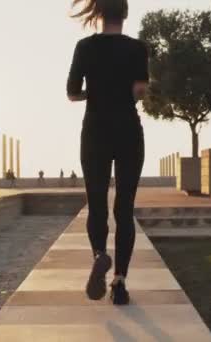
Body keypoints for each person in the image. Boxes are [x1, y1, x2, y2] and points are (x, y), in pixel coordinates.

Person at [68, 0, 148, 305]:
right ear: (125, 14)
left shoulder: (84, 47)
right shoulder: (138, 49)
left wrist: (96, 92)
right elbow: (139, 91)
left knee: (97, 204)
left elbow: (72, 92)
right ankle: (120, 283)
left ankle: (100, 256)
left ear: (98, 13)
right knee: (124, 209)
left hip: (95, 131)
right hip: (128, 130)